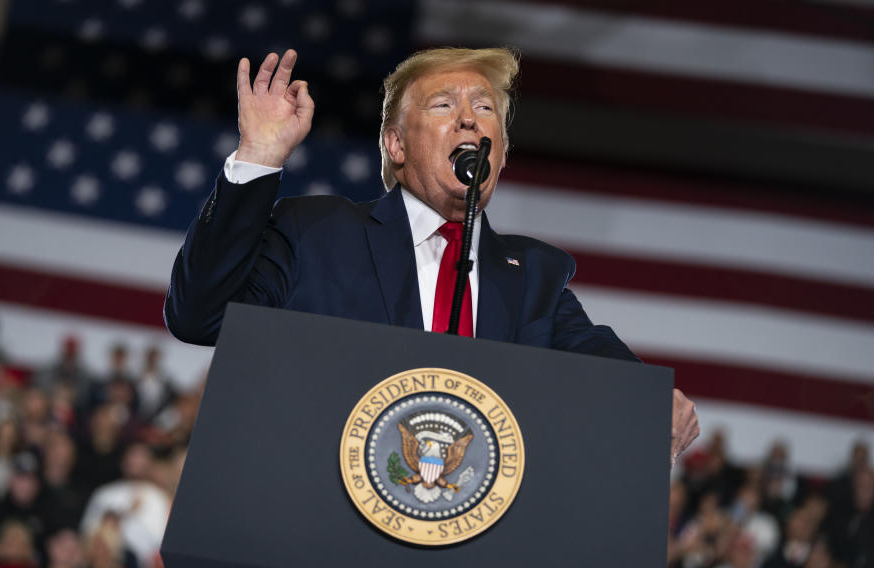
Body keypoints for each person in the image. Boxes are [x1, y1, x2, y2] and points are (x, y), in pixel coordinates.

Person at [164, 47, 699, 463]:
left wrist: (650, 404)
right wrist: (260, 155)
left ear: (502, 152)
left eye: (485, 108)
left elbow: (608, 372)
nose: (469, 119)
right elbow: (198, 315)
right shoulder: (316, 232)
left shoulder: (535, 278)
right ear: (395, 145)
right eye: (445, 105)